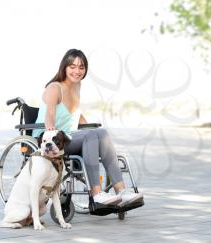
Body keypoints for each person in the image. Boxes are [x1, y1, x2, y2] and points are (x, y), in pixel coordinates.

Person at [33, 49, 143, 206]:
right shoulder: (54, 88)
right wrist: (51, 132)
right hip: (51, 139)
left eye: (81, 67)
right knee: (91, 135)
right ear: (64, 67)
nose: (77, 71)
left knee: (101, 132)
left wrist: (92, 127)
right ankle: (96, 194)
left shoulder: (77, 87)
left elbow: (74, 114)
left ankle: (122, 191)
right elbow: (49, 116)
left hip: (69, 137)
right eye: (72, 66)